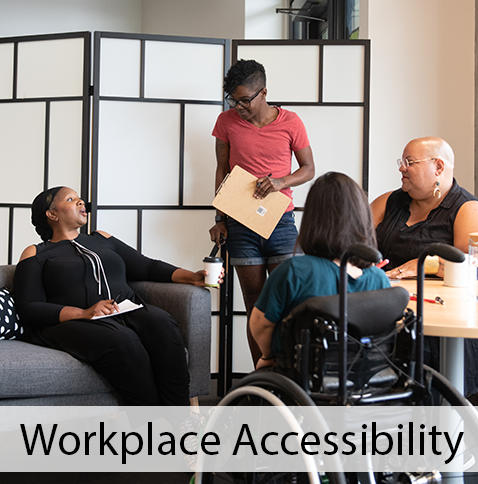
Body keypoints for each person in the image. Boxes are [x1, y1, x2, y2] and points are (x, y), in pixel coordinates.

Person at [13, 186, 224, 407]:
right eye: (70, 199)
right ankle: (152, 424)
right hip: (74, 321)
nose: (80, 201)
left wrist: (192, 277)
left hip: (124, 309)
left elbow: (146, 266)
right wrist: (84, 313)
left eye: (79, 198)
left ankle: (180, 419)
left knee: (161, 322)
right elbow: (28, 307)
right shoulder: (36, 253)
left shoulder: (102, 238)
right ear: (52, 214)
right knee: (122, 340)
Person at [209, 59, 315, 366]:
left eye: (245, 100)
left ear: (264, 92)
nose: (239, 107)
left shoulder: (291, 122)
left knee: (289, 303)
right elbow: (222, 169)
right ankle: (262, 375)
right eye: (234, 101)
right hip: (241, 221)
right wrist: (219, 218)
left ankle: (290, 373)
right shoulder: (226, 122)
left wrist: (281, 181)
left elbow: (309, 169)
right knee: (255, 304)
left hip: (281, 222)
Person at [371, 136, 478, 396]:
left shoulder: (468, 209)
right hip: (388, 315)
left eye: (409, 162)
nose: (401, 168)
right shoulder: (389, 202)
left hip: (442, 325)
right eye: (402, 162)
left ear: (439, 167)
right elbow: (350, 241)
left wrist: (426, 264)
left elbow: (475, 265)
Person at [250, 172, 391, 370]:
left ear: (312, 220)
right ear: (363, 219)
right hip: (363, 379)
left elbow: (260, 324)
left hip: (305, 376)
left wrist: (268, 356)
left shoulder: (295, 271)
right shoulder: (378, 278)